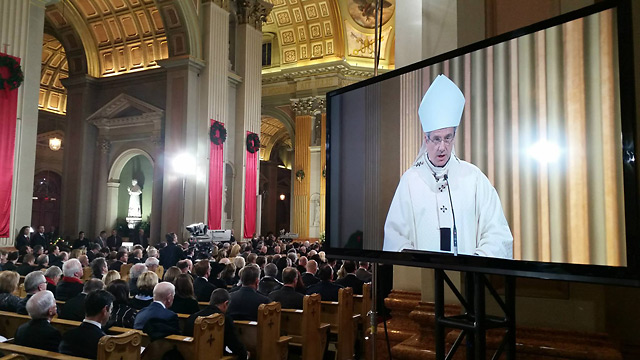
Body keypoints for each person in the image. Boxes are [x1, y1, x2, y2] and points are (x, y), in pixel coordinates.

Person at [383, 74, 513, 259]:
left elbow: (497, 234)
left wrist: (473, 265)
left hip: (467, 282)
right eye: (436, 139)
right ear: (425, 139)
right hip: (424, 282)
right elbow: (395, 239)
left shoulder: (474, 178)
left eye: (448, 138)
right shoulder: (410, 181)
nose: (442, 147)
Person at [184, 288, 248, 359]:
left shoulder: (193, 317)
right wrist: (245, 354)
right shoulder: (224, 319)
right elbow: (235, 345)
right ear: (225, 303)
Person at [59, 290, 114, 359]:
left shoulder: (67, 335)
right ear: (105, 310)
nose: (110, 315)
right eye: (111, 310)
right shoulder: (103, 343)